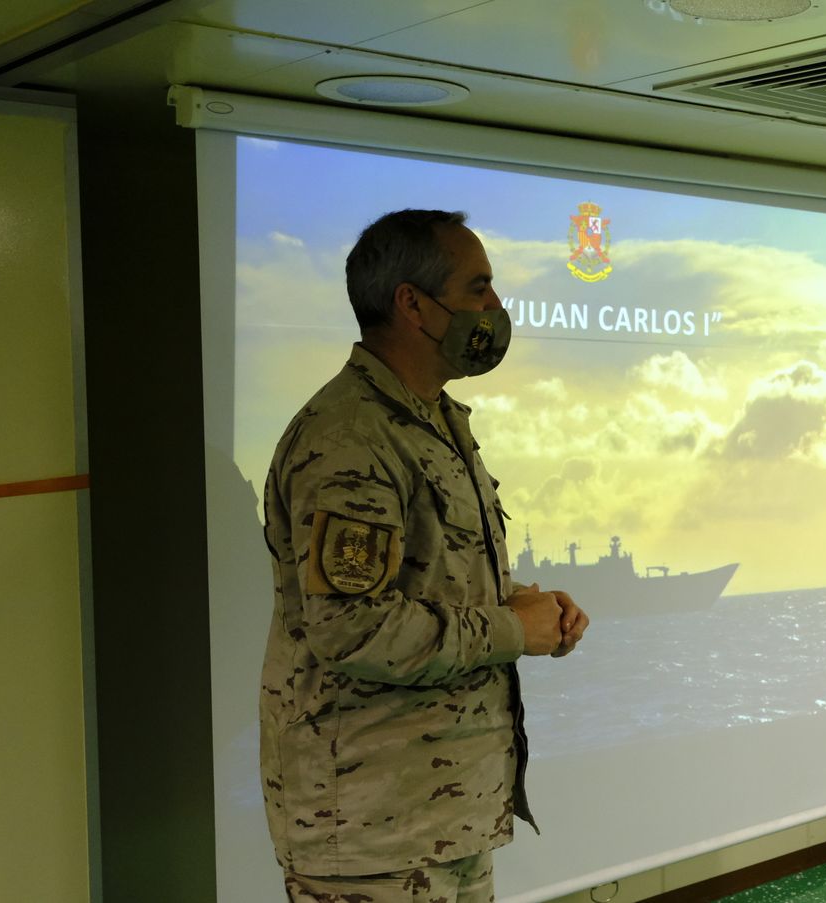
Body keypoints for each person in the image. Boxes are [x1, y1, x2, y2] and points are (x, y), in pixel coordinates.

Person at [259, 209, 590, 902]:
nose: (496, 309)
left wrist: (531, 609)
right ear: (412, 303)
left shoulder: (433, 420)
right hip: (371, 831)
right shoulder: (351, 438)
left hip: (446, 817)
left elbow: (437, 579)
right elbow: (353, 626)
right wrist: (510, 631)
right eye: (479, 289)